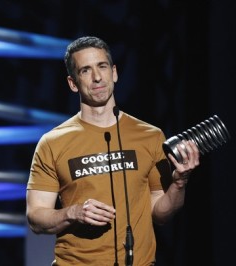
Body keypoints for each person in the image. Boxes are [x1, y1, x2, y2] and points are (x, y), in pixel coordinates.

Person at [26, 36, 200, 266]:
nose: (97, 77)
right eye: (86, 70)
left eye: (102, 66)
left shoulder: (151, 136)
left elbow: (160, 213)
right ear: (73, 83)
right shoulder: (52, 142)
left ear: (114, 73)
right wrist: (74, 212)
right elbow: (36, 216)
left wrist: (179, 184)